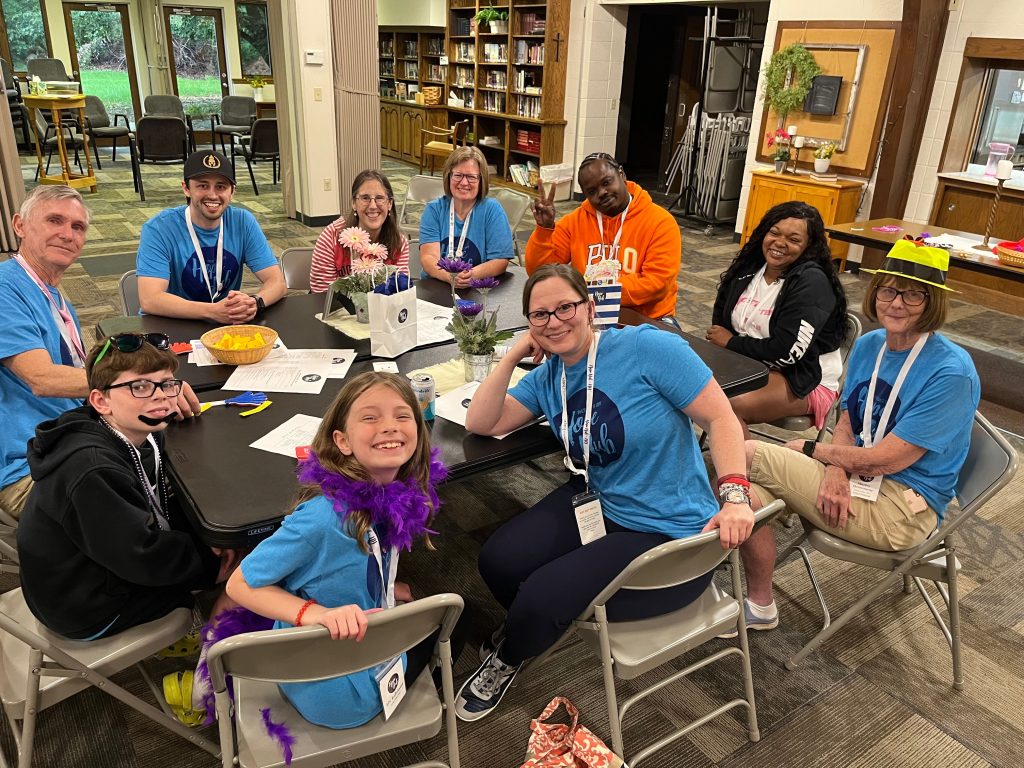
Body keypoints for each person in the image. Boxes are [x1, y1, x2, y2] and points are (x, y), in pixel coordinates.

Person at [454, 263, 755, 722]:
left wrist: (735, 495)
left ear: (589, 308)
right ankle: (533, 626)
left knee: (540, 595)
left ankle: (515, 650)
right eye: (540, 315)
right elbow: (483, 423)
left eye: (565, 308)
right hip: (602, 500)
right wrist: (512, 355)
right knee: (497, 560)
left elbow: (722, 419)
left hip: (668, 530)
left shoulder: (645, 348)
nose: (554, 321)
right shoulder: (549, 376)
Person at [738, 240, 980, 628]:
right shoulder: (870, 344)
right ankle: (760, 605)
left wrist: (817, 452)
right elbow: (851, 418)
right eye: (888, 289)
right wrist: (835, 471)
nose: (896, 303)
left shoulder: (951, 372)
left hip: (902, 505)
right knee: (748, 490)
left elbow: (890, 459)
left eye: (914, 294)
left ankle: (744, 593)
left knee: (744, 454)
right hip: (855, 477)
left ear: (933, 302)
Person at [225, 372, 452, 729]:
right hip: (340, 694)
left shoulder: (393, 494)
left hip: (343, 656)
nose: (390, 426)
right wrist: (316, 614)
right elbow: (239, 585)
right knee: (455, 617)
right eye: (370, 417)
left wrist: (382, 588)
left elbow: (347, 565)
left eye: (402, 415)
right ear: (342, 441)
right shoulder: (323, 519)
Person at [0, 186, 202, 521]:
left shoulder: (46, 289)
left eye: (77, 227)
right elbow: (42, 379)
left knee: (185, 454)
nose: (67, 234)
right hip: (30, 465)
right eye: (55, 221)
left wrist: (148, 376)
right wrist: (143, 386)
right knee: (183, 483)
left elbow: (81, 366)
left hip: (69, 432)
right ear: (19, 225)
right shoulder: (6, 289)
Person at [16, 335, 235, 641]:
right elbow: (141, 558)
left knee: (218, 547)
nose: (161, 397)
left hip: (90, 572)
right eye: (140, 387)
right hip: (84, 608)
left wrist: (202, 538)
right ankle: (214, 671)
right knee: (241, 571)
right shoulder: (93, 470)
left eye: (167, 384)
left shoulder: (128, 428)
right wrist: (210, 558)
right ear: (100, 400)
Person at [707, 201, 847, 435]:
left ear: (808, 246)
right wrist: (729, 345)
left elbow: (786, 352)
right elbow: (719, 326)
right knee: (682, 385)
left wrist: (731, 343)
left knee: (724, 406)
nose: (780, 243)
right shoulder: (749, 268)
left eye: (793, 240)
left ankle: (736, 470)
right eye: (774, 233)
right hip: (748, 366)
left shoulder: (812, 282)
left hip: (803, 378)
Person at [525, 152, 681, 322]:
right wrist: (544, 230)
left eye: (606, 182)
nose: (602, 193)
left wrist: (588, 291)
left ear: (621, 174)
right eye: (592, 191)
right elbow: (540, 274)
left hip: (649, 318)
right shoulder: (574, 222)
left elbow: (655, 284)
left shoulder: (660, 222)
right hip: (589, 315)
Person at [136, 149, 286, 323]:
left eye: (221, 186)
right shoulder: (159, 229)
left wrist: (255, 302)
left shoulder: (243, 222)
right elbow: (150, 299)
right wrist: (212, 311)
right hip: (174, 324)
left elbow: (277, 282)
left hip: (224, 324)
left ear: (232, 191)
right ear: (186, 188)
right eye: (202, 185)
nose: (213, 195)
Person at [418, 146, 513, 288]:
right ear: (449, 176)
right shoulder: (434, 210)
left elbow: (500, 261)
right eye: (458, 175)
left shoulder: (492, 210)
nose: (463, 182)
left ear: (482, 180)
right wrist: (450, 277)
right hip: (437, 285)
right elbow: (428, 257)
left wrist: (470, 275)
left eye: (471, 177)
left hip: (476, 290)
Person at [309, 169, 410, 293]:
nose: (373, 206)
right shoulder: (331, 237)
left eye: (379, 198)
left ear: (389, 204)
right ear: (354, 203)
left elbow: (399, 291)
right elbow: (322, 293)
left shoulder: (399, 242)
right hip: (339, 310)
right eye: (365, 198)